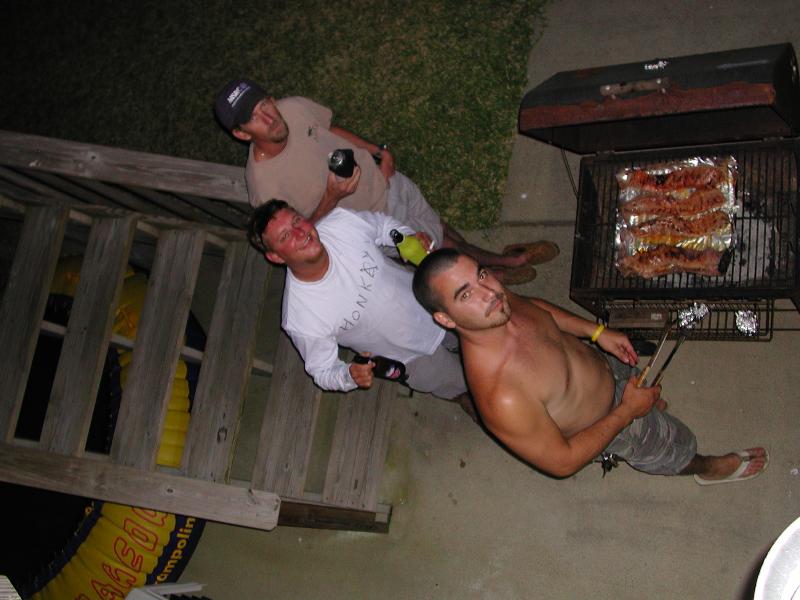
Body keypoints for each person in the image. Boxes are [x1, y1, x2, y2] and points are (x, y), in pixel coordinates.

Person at [411, 248, 768, 483]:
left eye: (481, 275)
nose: (489, 293)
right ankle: (707, 467)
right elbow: (562, 463)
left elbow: (536, 307)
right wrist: (626, 413)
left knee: (645, 393)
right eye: (465, 294)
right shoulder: (500, 396)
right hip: (611, 422)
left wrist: (595, 332)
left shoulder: (496, 303)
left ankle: (647, 407)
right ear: (445, 319)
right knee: (676, 447)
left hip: (608, 370)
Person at [215, 78, 559, 285]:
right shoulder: (265, 187)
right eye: (254, 117)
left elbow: (329, 128)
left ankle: (496, 261)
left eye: (264, 103)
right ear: (241, 133)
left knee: (440, 227)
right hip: (375, 226)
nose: (269, 117)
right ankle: (497, 272)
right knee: (436, 253)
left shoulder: (291, 108)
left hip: (388, 182)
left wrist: (377, 151)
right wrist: (332, 196)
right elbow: (301, 237)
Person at [247, 199, 476, 417]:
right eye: (285, 236)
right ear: (275, 257)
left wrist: (406, 236)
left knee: (483, 343)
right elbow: (322, 371)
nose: (300, 233)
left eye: (296, 220)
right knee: (468, 387)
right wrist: (350, 375)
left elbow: (382, 226)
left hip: (434, 301)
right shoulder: (300, 318)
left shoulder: (341, 222)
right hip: (412, 357)